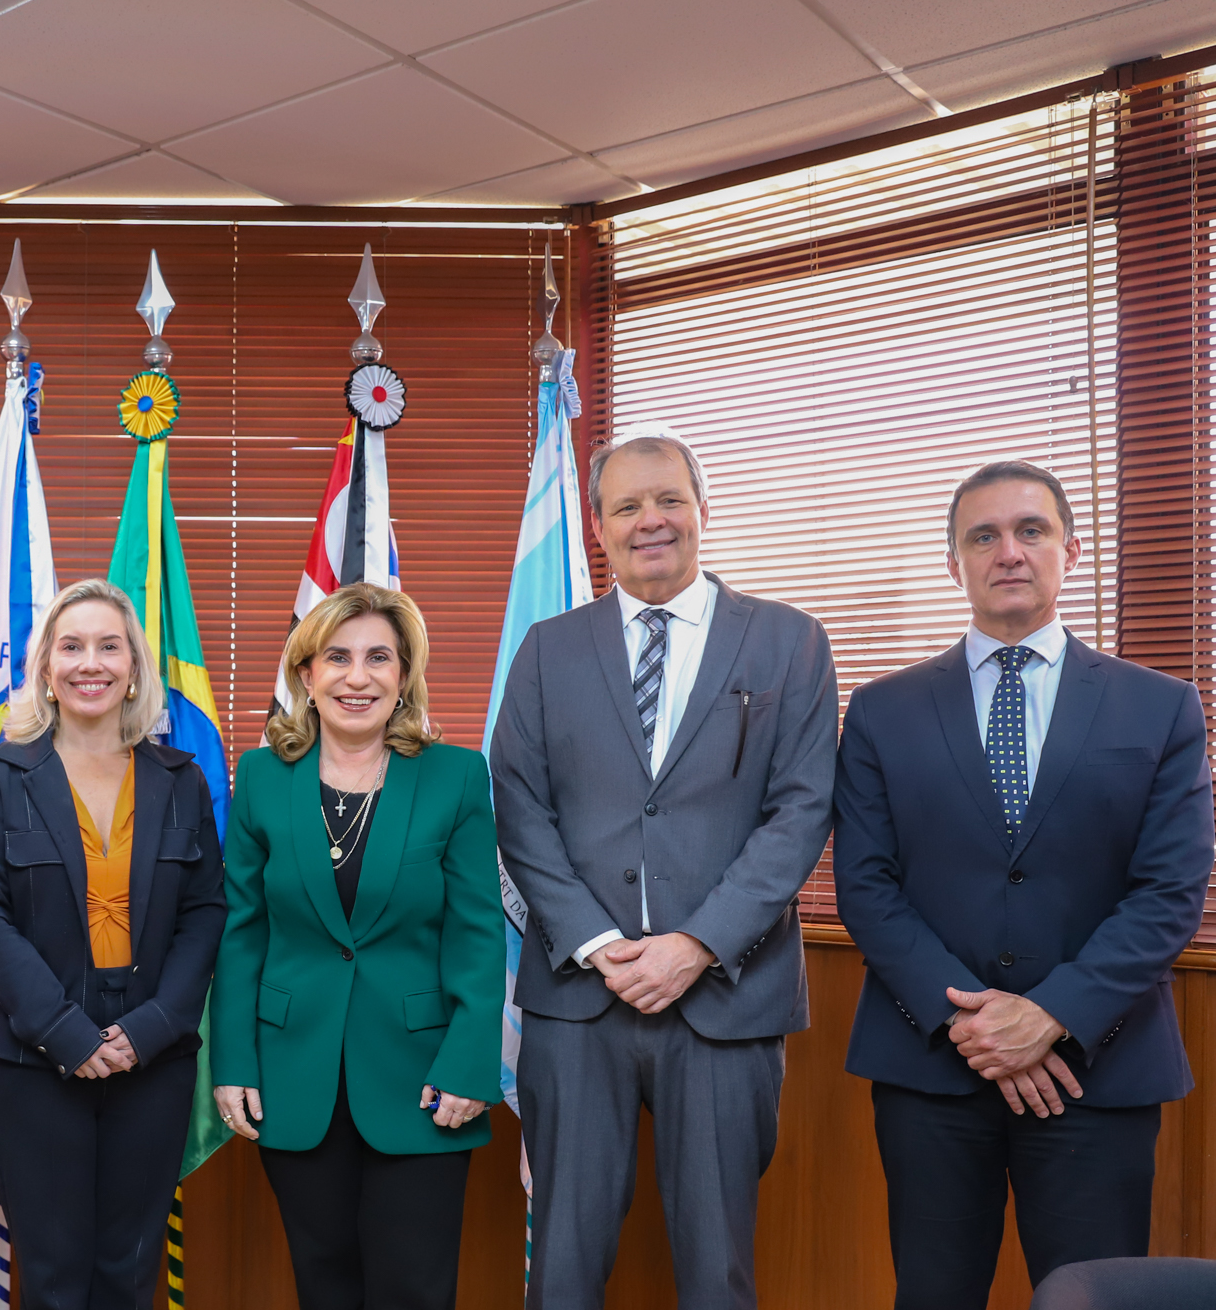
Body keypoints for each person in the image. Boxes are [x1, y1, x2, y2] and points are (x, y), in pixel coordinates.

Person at [833, 460, 1212, 1308]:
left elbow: (1169, 892)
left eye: (1030, 530)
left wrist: (1049, 1015)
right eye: (983, 536)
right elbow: (865, 885)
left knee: (1094, 1297)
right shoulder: (880, 711)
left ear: (1070, 551)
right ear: (955, 563)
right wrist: (977, 1025)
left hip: (1097, 1069)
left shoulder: (1161, 707)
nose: (1008, 551)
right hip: (933, 1066)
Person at [490, 432, 838, 1310]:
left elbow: (799, 814)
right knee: (562, 1266)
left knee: (719, 1268)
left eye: (669, 499)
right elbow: (519, 811)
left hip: (727, 995)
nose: (651, 520)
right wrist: (599, 942)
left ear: (703, 510)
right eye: (627, 506)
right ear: (599, 528)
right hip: (577, 1000)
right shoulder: (547, 648)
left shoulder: (790, 643)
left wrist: (696, 944)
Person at [211, 582, 504, 1310]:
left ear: (404, 676)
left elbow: (477, 930)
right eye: (337, 657)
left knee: (415, 1288)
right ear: (306, 675)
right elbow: (241, 930)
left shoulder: (455, 777)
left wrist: (470, 1062)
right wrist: (234, 1062)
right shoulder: (259, 777)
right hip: (292, 1073)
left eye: (379, 657)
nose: (357, 676)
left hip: (424, 1078)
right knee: (325, 1284)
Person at [0, 578, 226, 1310]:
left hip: (154, 1059)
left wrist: (148, 1030)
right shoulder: (0, 778)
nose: (90, 663)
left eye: (110, 646)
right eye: (71, 646)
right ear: (45, 665)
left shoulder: (182, 781)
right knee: (50, 1278)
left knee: (129, 1274)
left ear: (135, 666)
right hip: (33, 1060)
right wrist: (67, 1034)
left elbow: (205, 915)